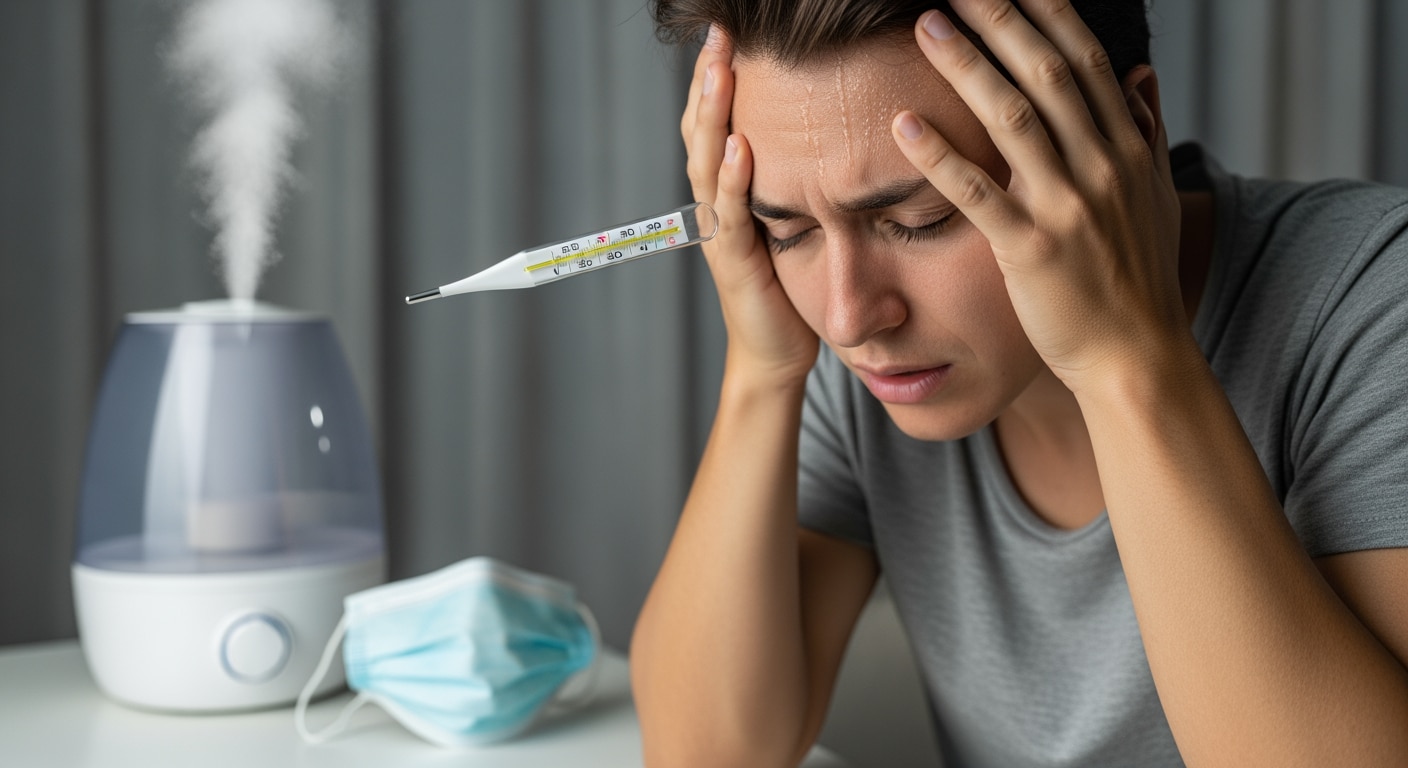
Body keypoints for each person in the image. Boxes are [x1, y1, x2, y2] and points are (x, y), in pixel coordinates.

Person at [629, 0, 1408, 765]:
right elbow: (706, 752)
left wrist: (1124, 360)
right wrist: (763, 373)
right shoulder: (870, 361)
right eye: (786, 231)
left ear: (1127, 133)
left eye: (923, 218)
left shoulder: (1376, 304)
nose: (848, 318)